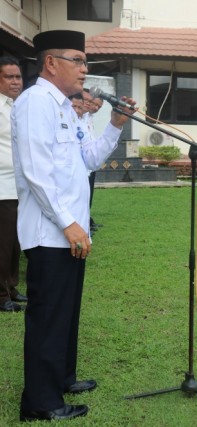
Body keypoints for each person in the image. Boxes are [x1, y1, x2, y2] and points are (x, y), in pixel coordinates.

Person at [12, 30, 136, 422]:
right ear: (50, 63)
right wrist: (68, 224)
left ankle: (61, 376)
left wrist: (115, 123)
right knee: (49, 315)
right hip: (51, 232)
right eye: (78, 60)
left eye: (86, 62)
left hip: (70, 230)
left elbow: (90, 159)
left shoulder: (65, 106)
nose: (85, 70)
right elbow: (36, 172)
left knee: (66, 312)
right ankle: (41, 403)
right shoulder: (35, 102)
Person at [0, 56, 26, 313]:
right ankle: (0, 294)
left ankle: (11, 285)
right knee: (3, 242)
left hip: (19, 186)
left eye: (18, 77)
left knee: (16, 242)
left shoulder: (18, 106)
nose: (16, 82)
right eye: (9, 77)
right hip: (2, 186)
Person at [82, 89, 103, 233]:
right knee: (82, 197)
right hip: (82, 166)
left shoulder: (89, 117)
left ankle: (87, 222)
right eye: (92, 103)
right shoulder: (78, 116)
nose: (95, 107)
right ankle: (85, 224)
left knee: (88, 197)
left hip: (91, 166)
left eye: (99, 106)